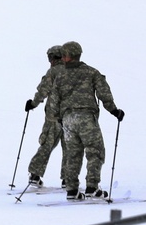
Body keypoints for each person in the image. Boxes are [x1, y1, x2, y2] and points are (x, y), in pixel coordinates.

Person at [47, 41, 123, 200]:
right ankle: (92, 187)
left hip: (67, 119)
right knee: (95, 151)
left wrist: (57, 118)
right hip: (86, 118)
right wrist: (114, 111)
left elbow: (53, 100)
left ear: (66, 56)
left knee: (72, 154)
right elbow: (104, 93)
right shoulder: (91, 72)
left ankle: (72, 190)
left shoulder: (59, 76)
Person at [24, 45, 68, 188]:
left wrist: (33, 103)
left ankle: (35, 174)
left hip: (53, 117)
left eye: (51, 57)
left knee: (46, 145)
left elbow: (43, 90)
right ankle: (68, 179)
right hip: (71, 117)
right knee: (70, 148)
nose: (50, 61)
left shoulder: (53, 72)